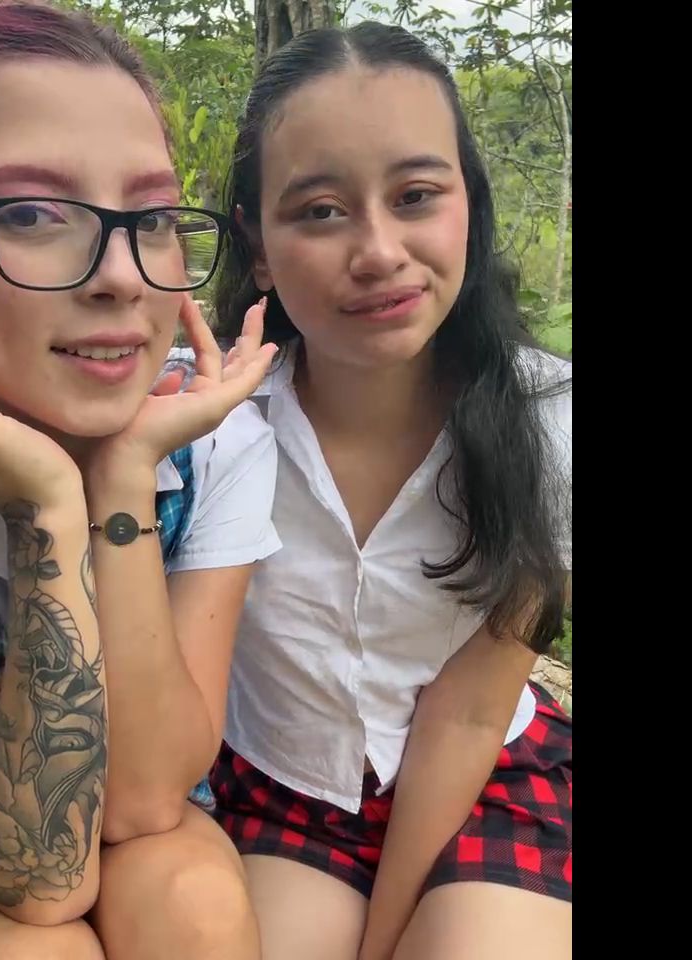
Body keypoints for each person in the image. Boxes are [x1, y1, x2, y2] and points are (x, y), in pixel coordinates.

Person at [0, 5, 280, 958]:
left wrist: (120, 484)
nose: (122, 276)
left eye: (153, 219)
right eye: (34, 214)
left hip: (126, 817)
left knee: (192, 903)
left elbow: (143, 801)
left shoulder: (211, 445)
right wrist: (45, 503)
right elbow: (41, 876)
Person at [210, 21, 572, 960]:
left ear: (468, 207)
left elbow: (470, 711)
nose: (377, 251)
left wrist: (383, 942)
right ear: (257, 244)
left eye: (415, 196)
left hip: (484, 775)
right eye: (320, 210)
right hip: (284, 782)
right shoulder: (209, 423)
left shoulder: (553, 424)